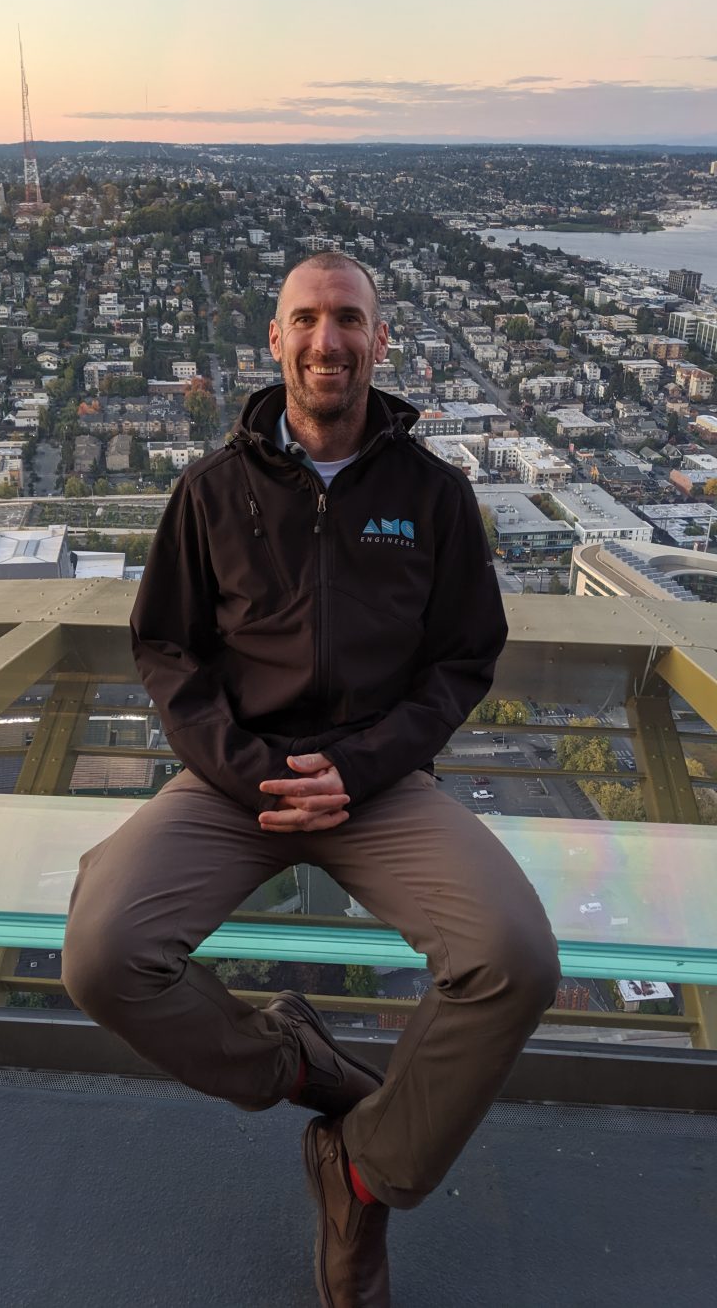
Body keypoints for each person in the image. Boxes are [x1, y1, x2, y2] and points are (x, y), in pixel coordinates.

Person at [62, 253, 560, 1307]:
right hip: (235, 782)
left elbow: (463, 659)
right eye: (306, 320)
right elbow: (167, 653)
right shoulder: (209, 489)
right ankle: (289, 1063)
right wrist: (251, 773)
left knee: (515, 959)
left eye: (348, 320)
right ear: (275, 343)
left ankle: (364, 1171)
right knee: (102, 956)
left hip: (380, 786)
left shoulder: (435, 495)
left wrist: (365, 765)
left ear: (381, 342)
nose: (327, 340)